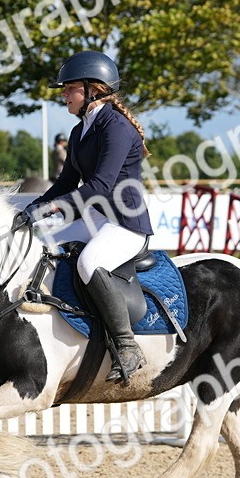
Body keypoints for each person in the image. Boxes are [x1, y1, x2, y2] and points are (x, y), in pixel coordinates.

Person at [20, 51, 154, 383]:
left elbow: (99, 185)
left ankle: (126, 347)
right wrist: (30, 209)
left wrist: (52, 209)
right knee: (40, 246)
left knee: (89, 262)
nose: (63, 94)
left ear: (92, 89)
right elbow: (65, 183)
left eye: (69, 88)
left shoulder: (117, 128)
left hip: (126, 224)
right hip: (97, 218)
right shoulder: (81, 131)